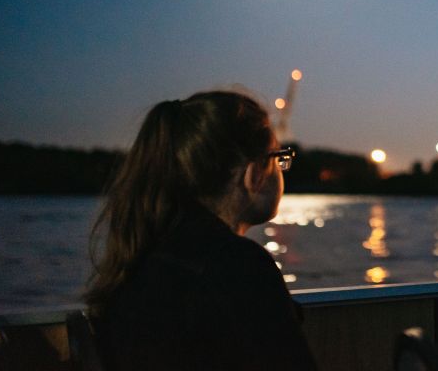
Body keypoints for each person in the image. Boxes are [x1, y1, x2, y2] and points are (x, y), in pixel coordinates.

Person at [85, 91, 317, 371]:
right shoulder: (237, 266)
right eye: (279, 157)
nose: (282, 169)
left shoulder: (143, 253)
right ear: (253, 174)